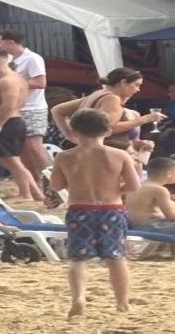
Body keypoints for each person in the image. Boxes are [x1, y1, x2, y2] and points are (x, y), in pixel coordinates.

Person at [50, 108, 141, 317]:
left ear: (74, 132)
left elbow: (56, 185)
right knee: (116, 258)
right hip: (112, 209)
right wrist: (116, 190)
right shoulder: (119, 155)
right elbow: (134, 185)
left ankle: (79, 298)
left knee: (78, 259)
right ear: (107, 131)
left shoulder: (65, 156)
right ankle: (122, 303)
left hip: (79, 209)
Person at [0, 48, 45, 201]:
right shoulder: (17, 79)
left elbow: (9, 105)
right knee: (13, 161)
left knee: (12, 162)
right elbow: (2, 101)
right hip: (12, 122)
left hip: (8, 123)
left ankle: (26, 194)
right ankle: (36, 193)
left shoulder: (8, 81)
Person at [51, 67, 166, 147]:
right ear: (123, 83)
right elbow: (107, 127)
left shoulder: (97, 94)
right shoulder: (112, 99)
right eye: (136, 85)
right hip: (106, 152)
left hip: (87, 148)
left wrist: (70, 135)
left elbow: (57, 110)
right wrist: (145, 119)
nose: (138, 90)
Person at [0, 29, 51, 187]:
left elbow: (40, 82)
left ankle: (52, 181)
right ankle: (35, 184)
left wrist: (12, 84)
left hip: (33, 108)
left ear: (11, 42)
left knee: (34, 147)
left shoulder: (32, 58)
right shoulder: (9, 60)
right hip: (16, 108)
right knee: (23, 149)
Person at [126, 157, 175, 258]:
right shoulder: (159, 190)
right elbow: (172, 215)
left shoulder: (139, 186)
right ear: (169, 173)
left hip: (138, 225)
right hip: (152, 227)